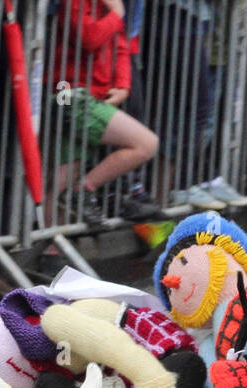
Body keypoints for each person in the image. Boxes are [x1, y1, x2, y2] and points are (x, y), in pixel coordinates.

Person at [52, 0, 163, 225]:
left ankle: (52, 248)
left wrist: (123, 85)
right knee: (146, 144)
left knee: (67, 170)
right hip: (67, 92)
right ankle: (82, 190)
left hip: (93, 95)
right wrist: (117, 13)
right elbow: (89, 38)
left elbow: (123, 44)